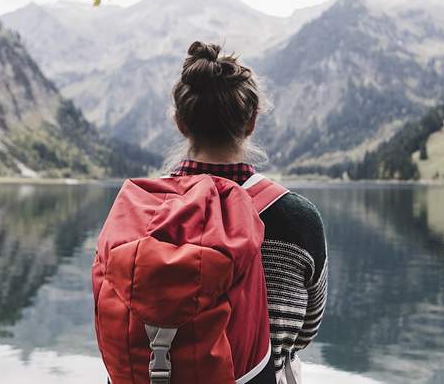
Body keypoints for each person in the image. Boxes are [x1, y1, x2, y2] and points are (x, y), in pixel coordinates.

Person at [93, 41, 327, 384]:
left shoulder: (136, 212)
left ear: (180, 123)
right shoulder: (297, 219)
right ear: (251, 123)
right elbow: (306, 331)